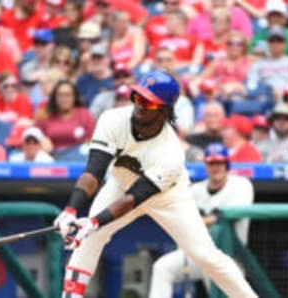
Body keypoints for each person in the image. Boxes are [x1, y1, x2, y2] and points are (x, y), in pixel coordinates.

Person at [53, 70, 257, 298]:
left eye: (148, 103)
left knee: (204, 255)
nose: (139, 106)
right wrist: (71, 210)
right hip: (119, 183)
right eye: (138, 98)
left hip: (167, 197)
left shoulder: (171, 153)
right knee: (89, 238)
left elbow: (134, 199)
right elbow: (93, 172)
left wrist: (94, 221)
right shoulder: (112, 119)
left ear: (165, 110)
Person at [149, 143, 254, 298]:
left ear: (227, 164)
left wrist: (197, 222)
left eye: (219, 162)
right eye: (211, 163)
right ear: (205, 165)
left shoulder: (241, 185)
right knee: (162, 267)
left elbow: (224, 218)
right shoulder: (195, 190)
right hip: (199, 255)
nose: (215, 167)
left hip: (229, 258)